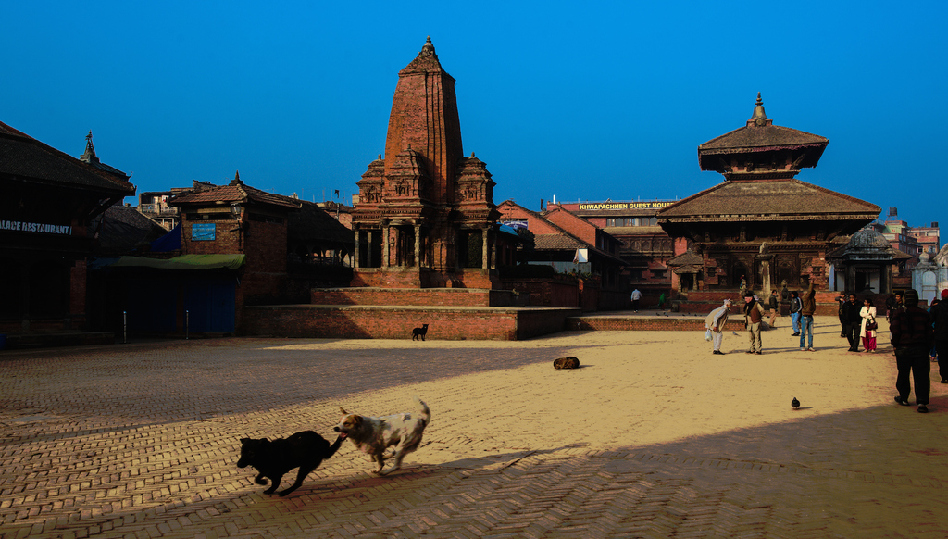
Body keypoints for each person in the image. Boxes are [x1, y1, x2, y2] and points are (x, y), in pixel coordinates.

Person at [891, 288, 934, 413]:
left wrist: (895, 344)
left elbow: (895, 331)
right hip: (921, 349)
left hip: (903, 348)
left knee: (903, 374)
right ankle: (922, 402)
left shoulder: (898, 313)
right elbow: (929, 333)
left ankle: (904, 397)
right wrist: (929, 346)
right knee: (922, 376)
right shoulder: (924, 313)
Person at [931, 289, 948, 383]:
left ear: (942, 296)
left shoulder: (937, 308)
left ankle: (944, 376)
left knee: (942, 356)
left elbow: (929, 320)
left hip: (940, 336)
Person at [799, 282, 817, 351]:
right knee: (803, 333)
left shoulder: (812, 300)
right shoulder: (806, 298)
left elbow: (814, 308)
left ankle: (810, 346)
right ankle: (802, 345)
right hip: (805, 317)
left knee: (811, 333)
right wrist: (811, 284)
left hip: (810, 317)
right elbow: (809, 292)